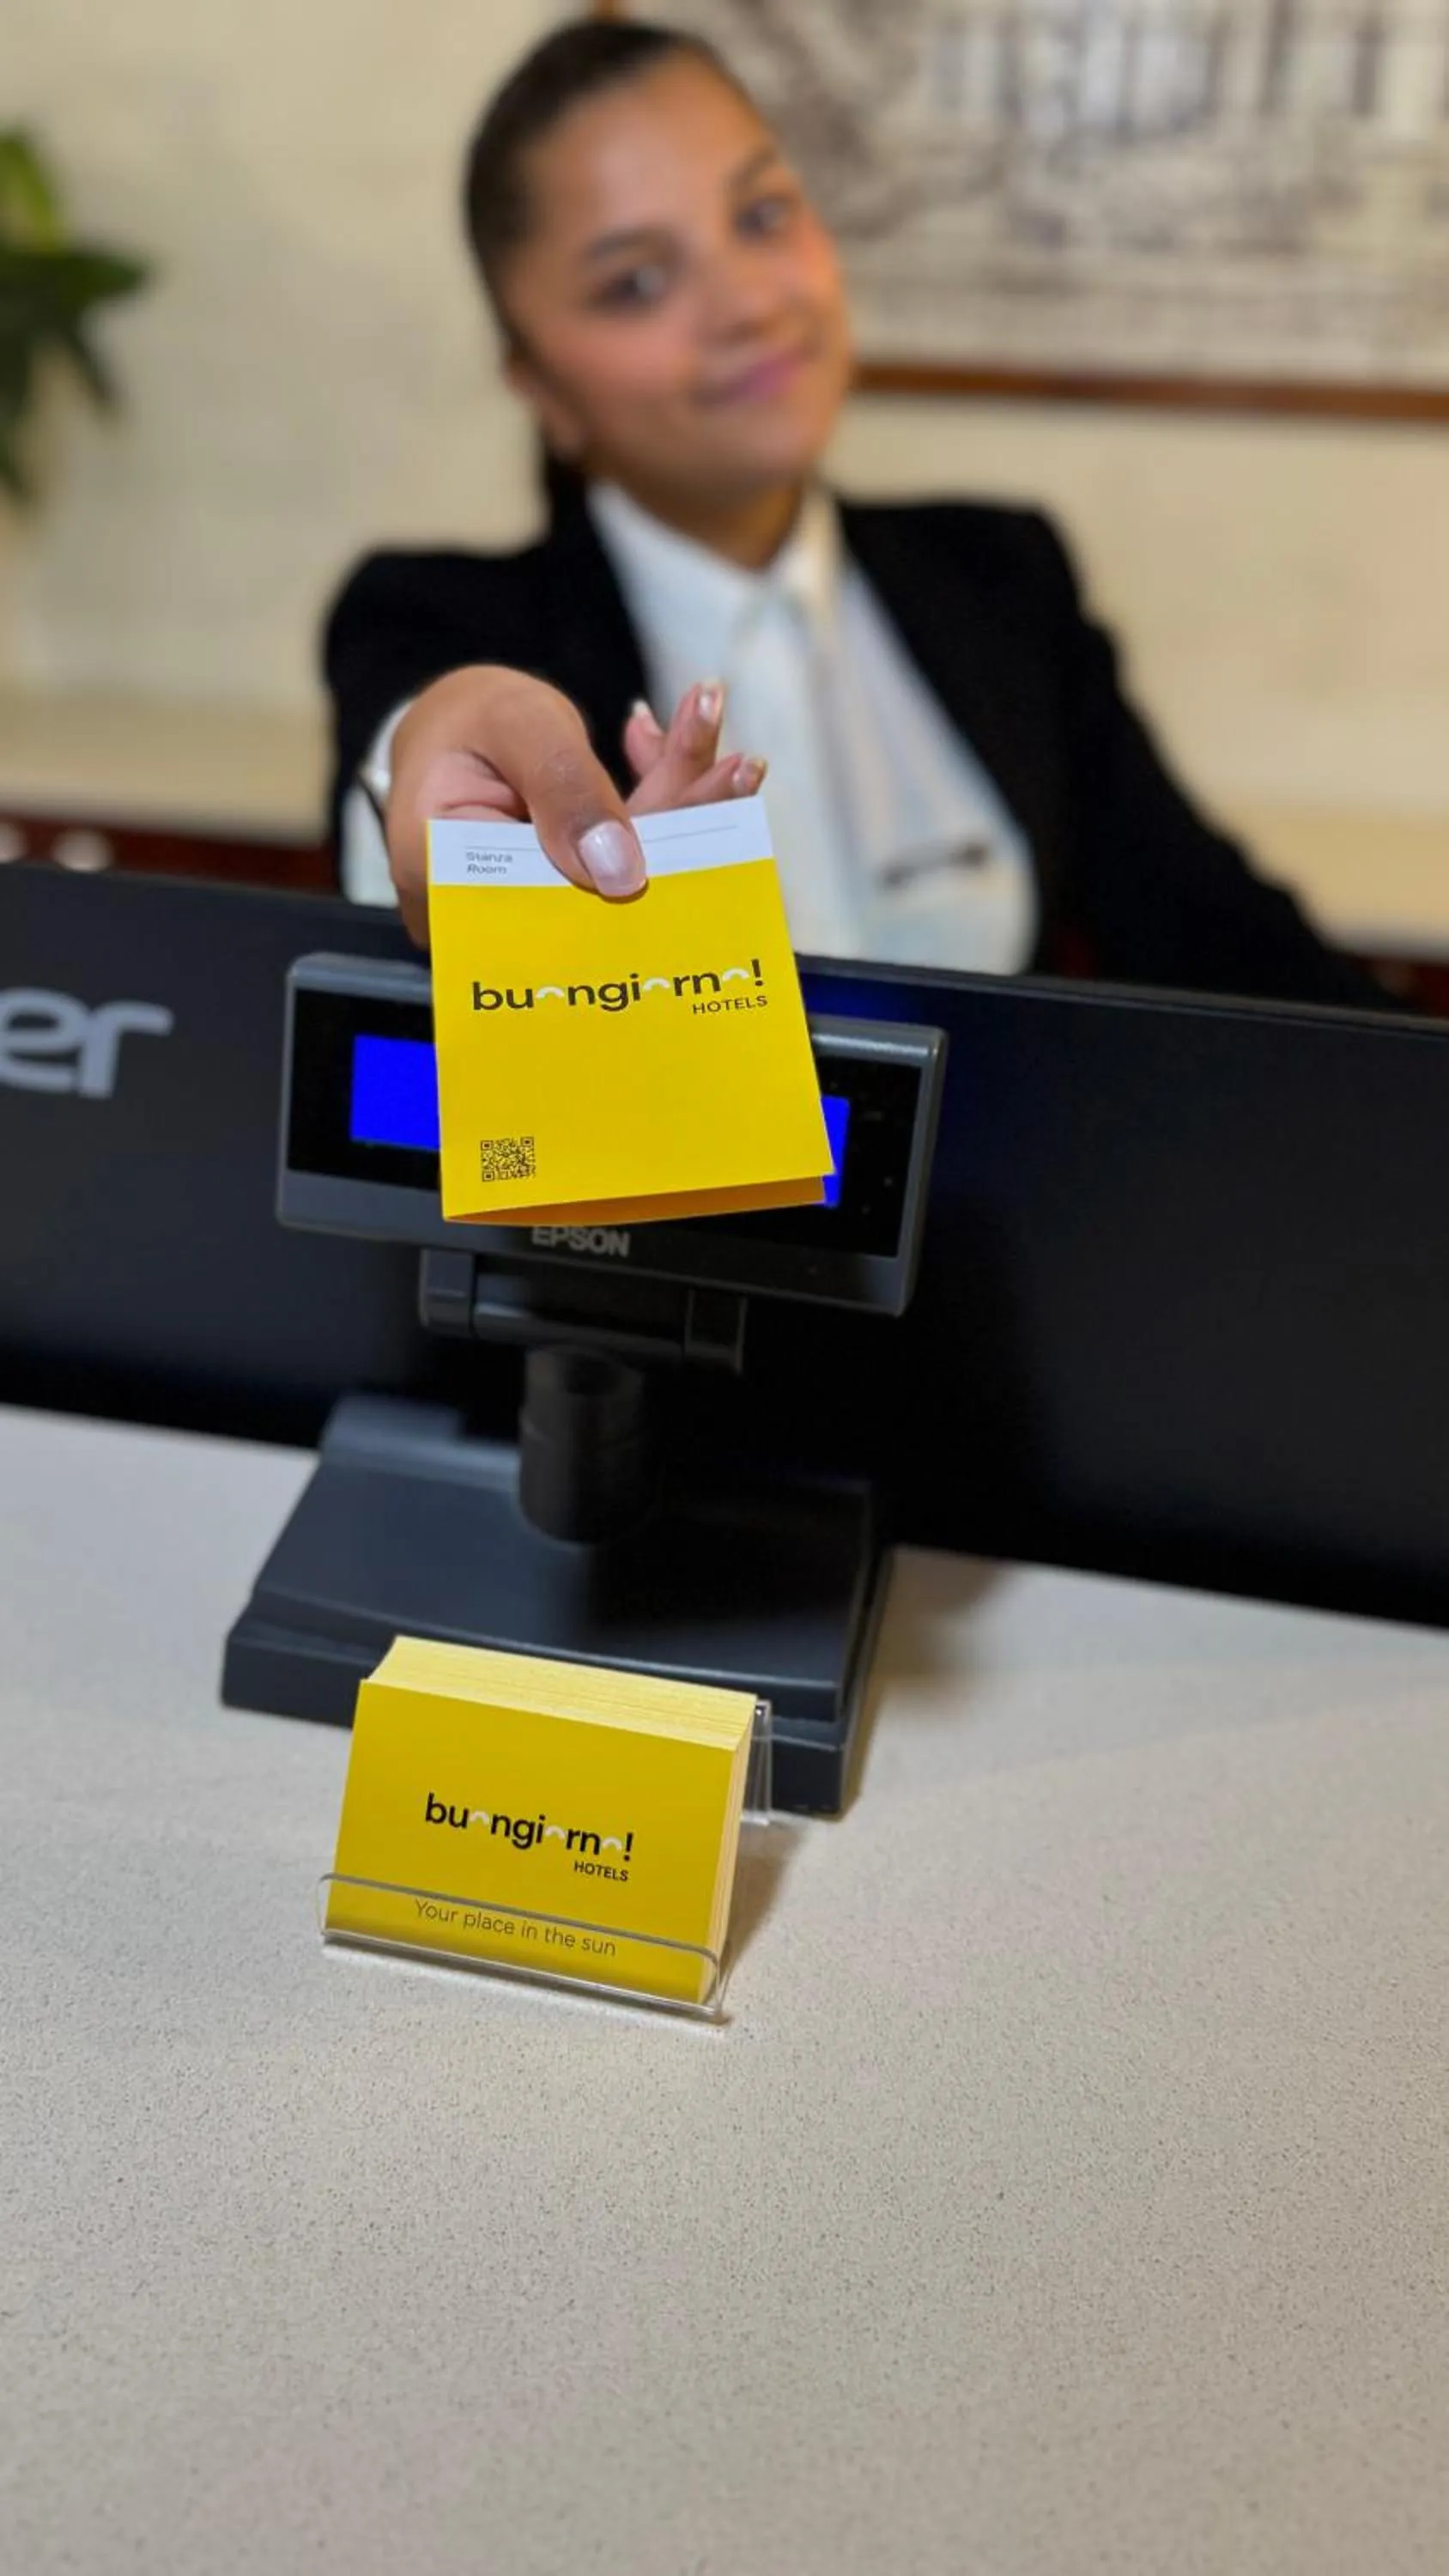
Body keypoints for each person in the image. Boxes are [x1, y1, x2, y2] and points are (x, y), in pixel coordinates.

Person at [325, 15, 1381, 1005]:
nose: (748, 303)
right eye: (638, 282)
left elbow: (1217, 938)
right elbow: (421, 728)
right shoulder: (441, 614)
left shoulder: (1001, 575)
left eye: (761, 215)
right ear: (541, 392)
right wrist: (431, 751)